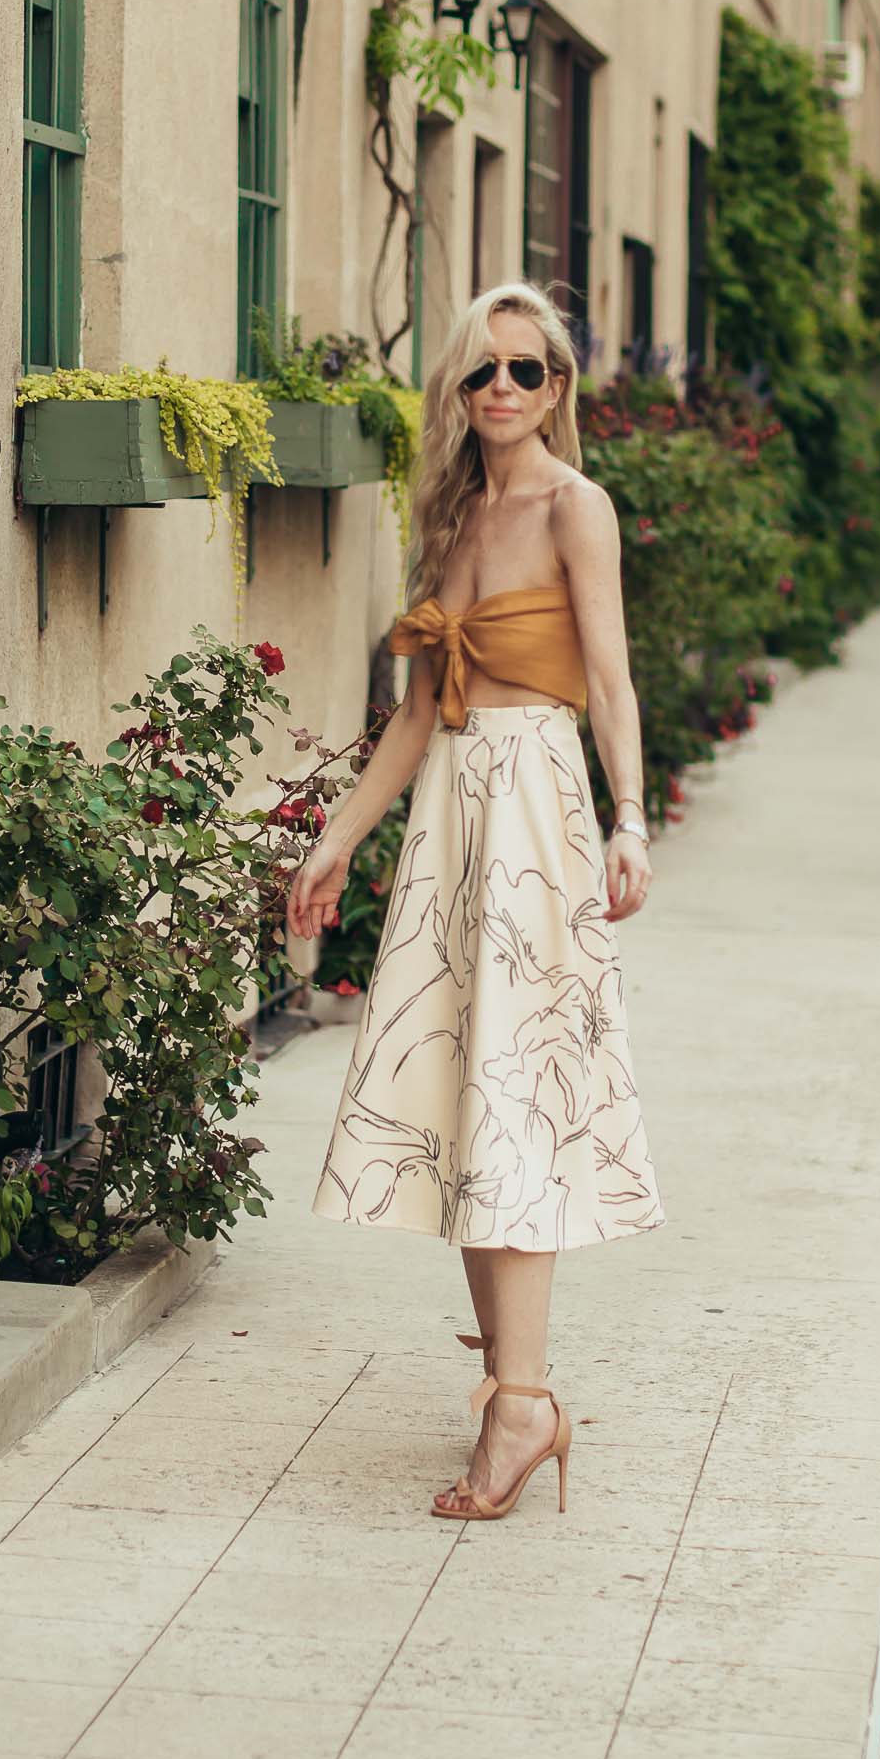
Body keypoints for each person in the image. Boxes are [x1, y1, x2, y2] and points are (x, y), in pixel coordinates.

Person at [290, 281, 663, 1524]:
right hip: (452, 814)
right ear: (457, 391)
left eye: (527, 371)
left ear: (559, 386)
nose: (502, 391)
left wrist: (628, 819)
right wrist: (337, 839)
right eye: (480, 374)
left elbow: (608, 679)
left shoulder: (576, 506)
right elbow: (409, 718)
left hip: (534, 817)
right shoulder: (449, 515)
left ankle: (519, 1402)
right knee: (459, 1092)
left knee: (515, 1094)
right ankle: (520, 1394)